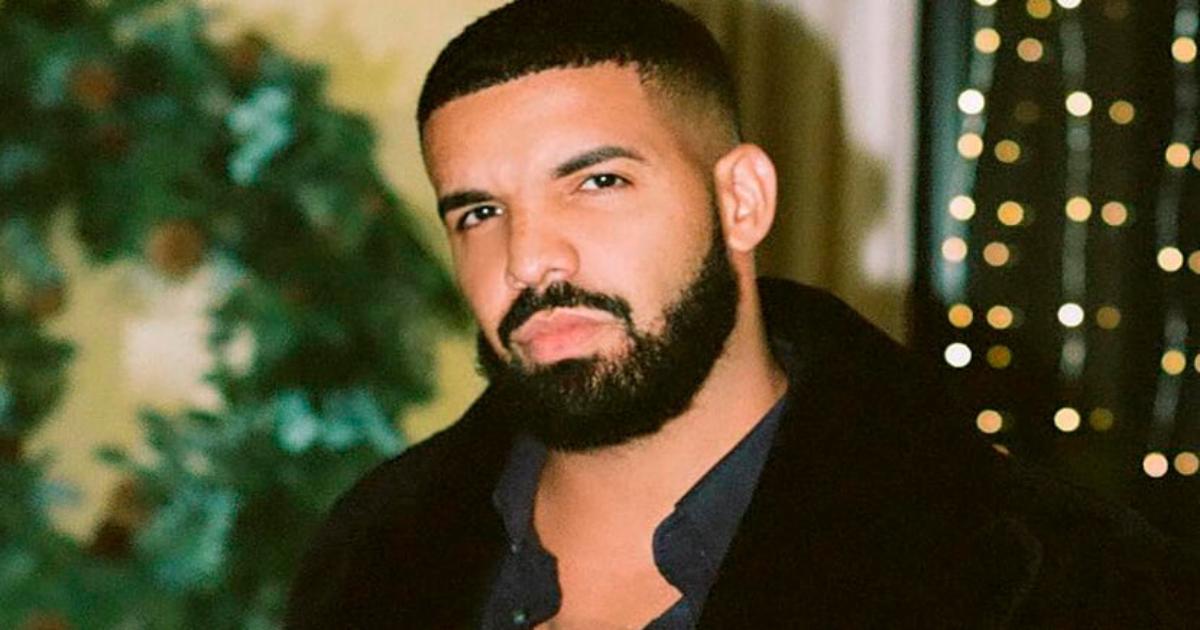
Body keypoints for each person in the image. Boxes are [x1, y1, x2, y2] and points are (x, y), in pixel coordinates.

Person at [286, 0, 1198, 627]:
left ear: (742, 201)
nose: (528, 258)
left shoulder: (1053, 580)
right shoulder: (373, 561)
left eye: (597, 182)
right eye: (480, 212)